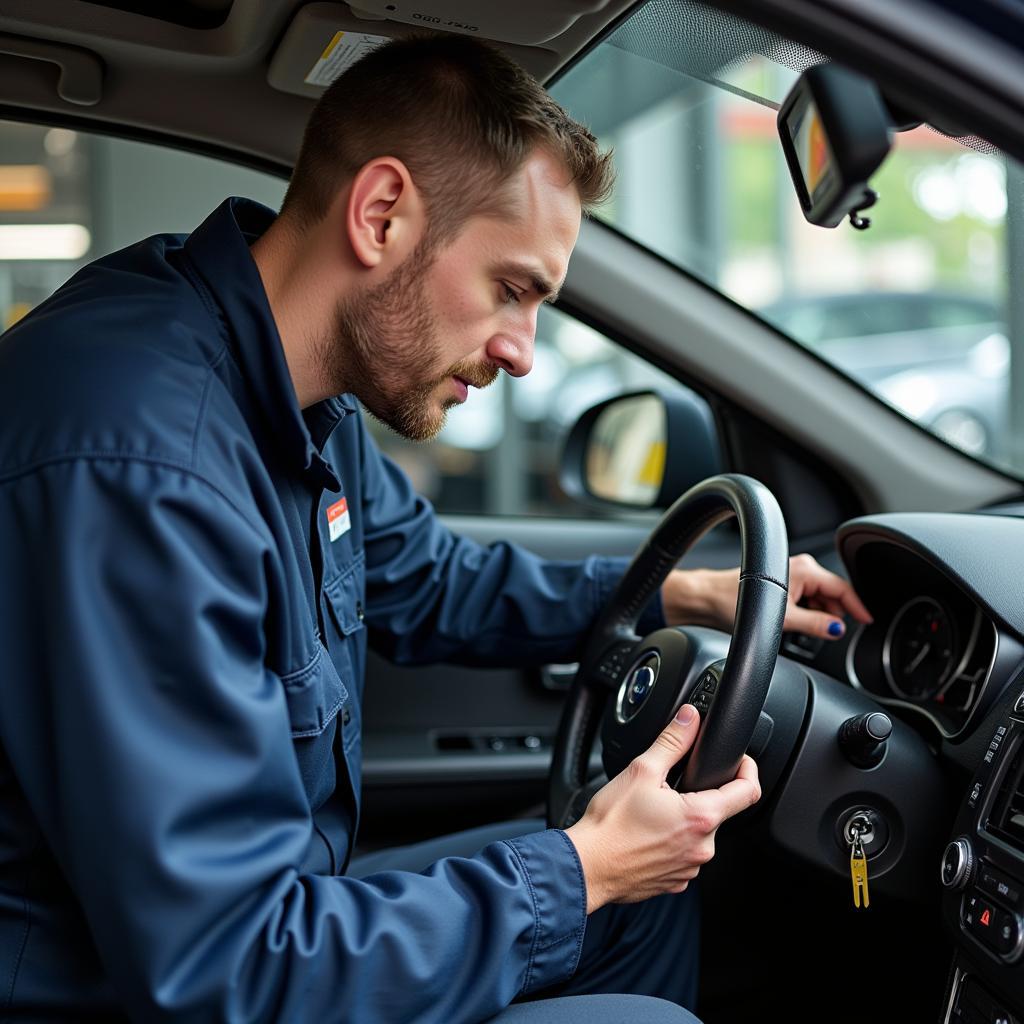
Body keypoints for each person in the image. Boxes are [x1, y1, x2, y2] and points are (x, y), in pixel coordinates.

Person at [0, 33, 871, 1024]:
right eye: (512, 288)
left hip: (254, 930)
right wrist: (579, 868)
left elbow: (426, 578)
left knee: (644, 903)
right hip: (136, 991)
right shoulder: (142, 469)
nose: (523, 352)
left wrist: (682, 592)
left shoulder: (287, 389)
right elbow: (227, 966)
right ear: (381, 215)